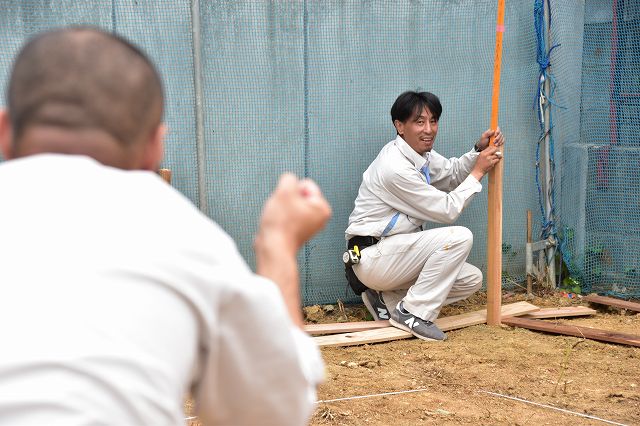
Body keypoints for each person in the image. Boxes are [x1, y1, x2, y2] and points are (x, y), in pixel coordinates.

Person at [0, 27, 331, 425]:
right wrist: (278, 244)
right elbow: (270, 411)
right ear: (155, 146)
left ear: (5, 130)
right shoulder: (187, 235)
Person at [344, 91, 504, 341]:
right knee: (460, 237)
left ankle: (387, 299)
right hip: (373, 256)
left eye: (433, 121)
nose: (428, 129)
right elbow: (447, 210)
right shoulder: (394, 168)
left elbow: (451, 174)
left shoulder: (419, 153)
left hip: (396, 256)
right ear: (400, 126)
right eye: (419, 122)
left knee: (471, 279)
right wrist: (479, 172)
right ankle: (412, 313)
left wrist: (477, 151)